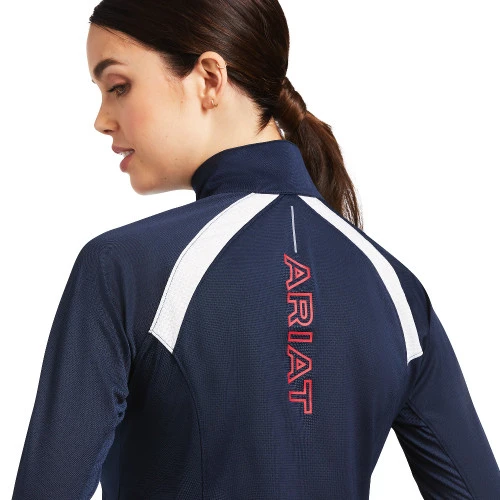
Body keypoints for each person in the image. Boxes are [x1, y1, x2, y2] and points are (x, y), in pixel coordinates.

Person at [11, 0, 500, 498]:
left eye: (118, 86)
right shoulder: (396, 290)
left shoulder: (122, 269)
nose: (101, 120)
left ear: (209, 78)